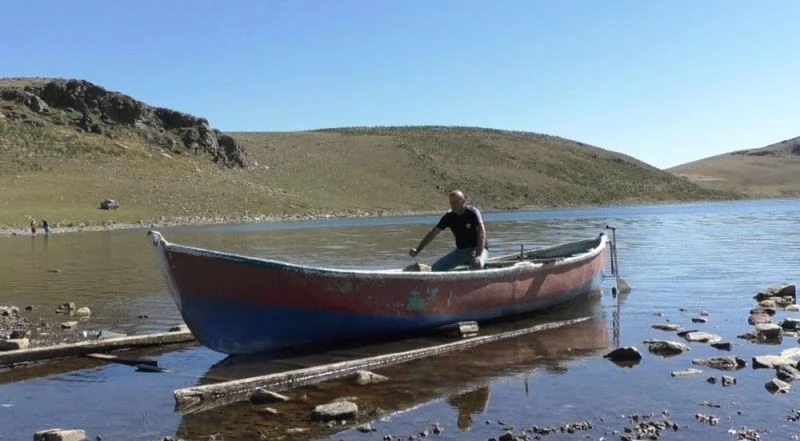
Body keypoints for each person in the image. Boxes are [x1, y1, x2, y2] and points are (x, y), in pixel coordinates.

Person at [409, 190, 488, 271]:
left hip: (478, 249)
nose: (453, 205)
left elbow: (482, 233)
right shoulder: (449, 216)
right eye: (451, 202)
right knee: (436, 269)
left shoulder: (473, 212)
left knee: (477, 265)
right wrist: (418, 250)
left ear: (463, 201)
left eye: (455, 202)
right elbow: (433, 233)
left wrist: (478, 255)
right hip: (460, 251)